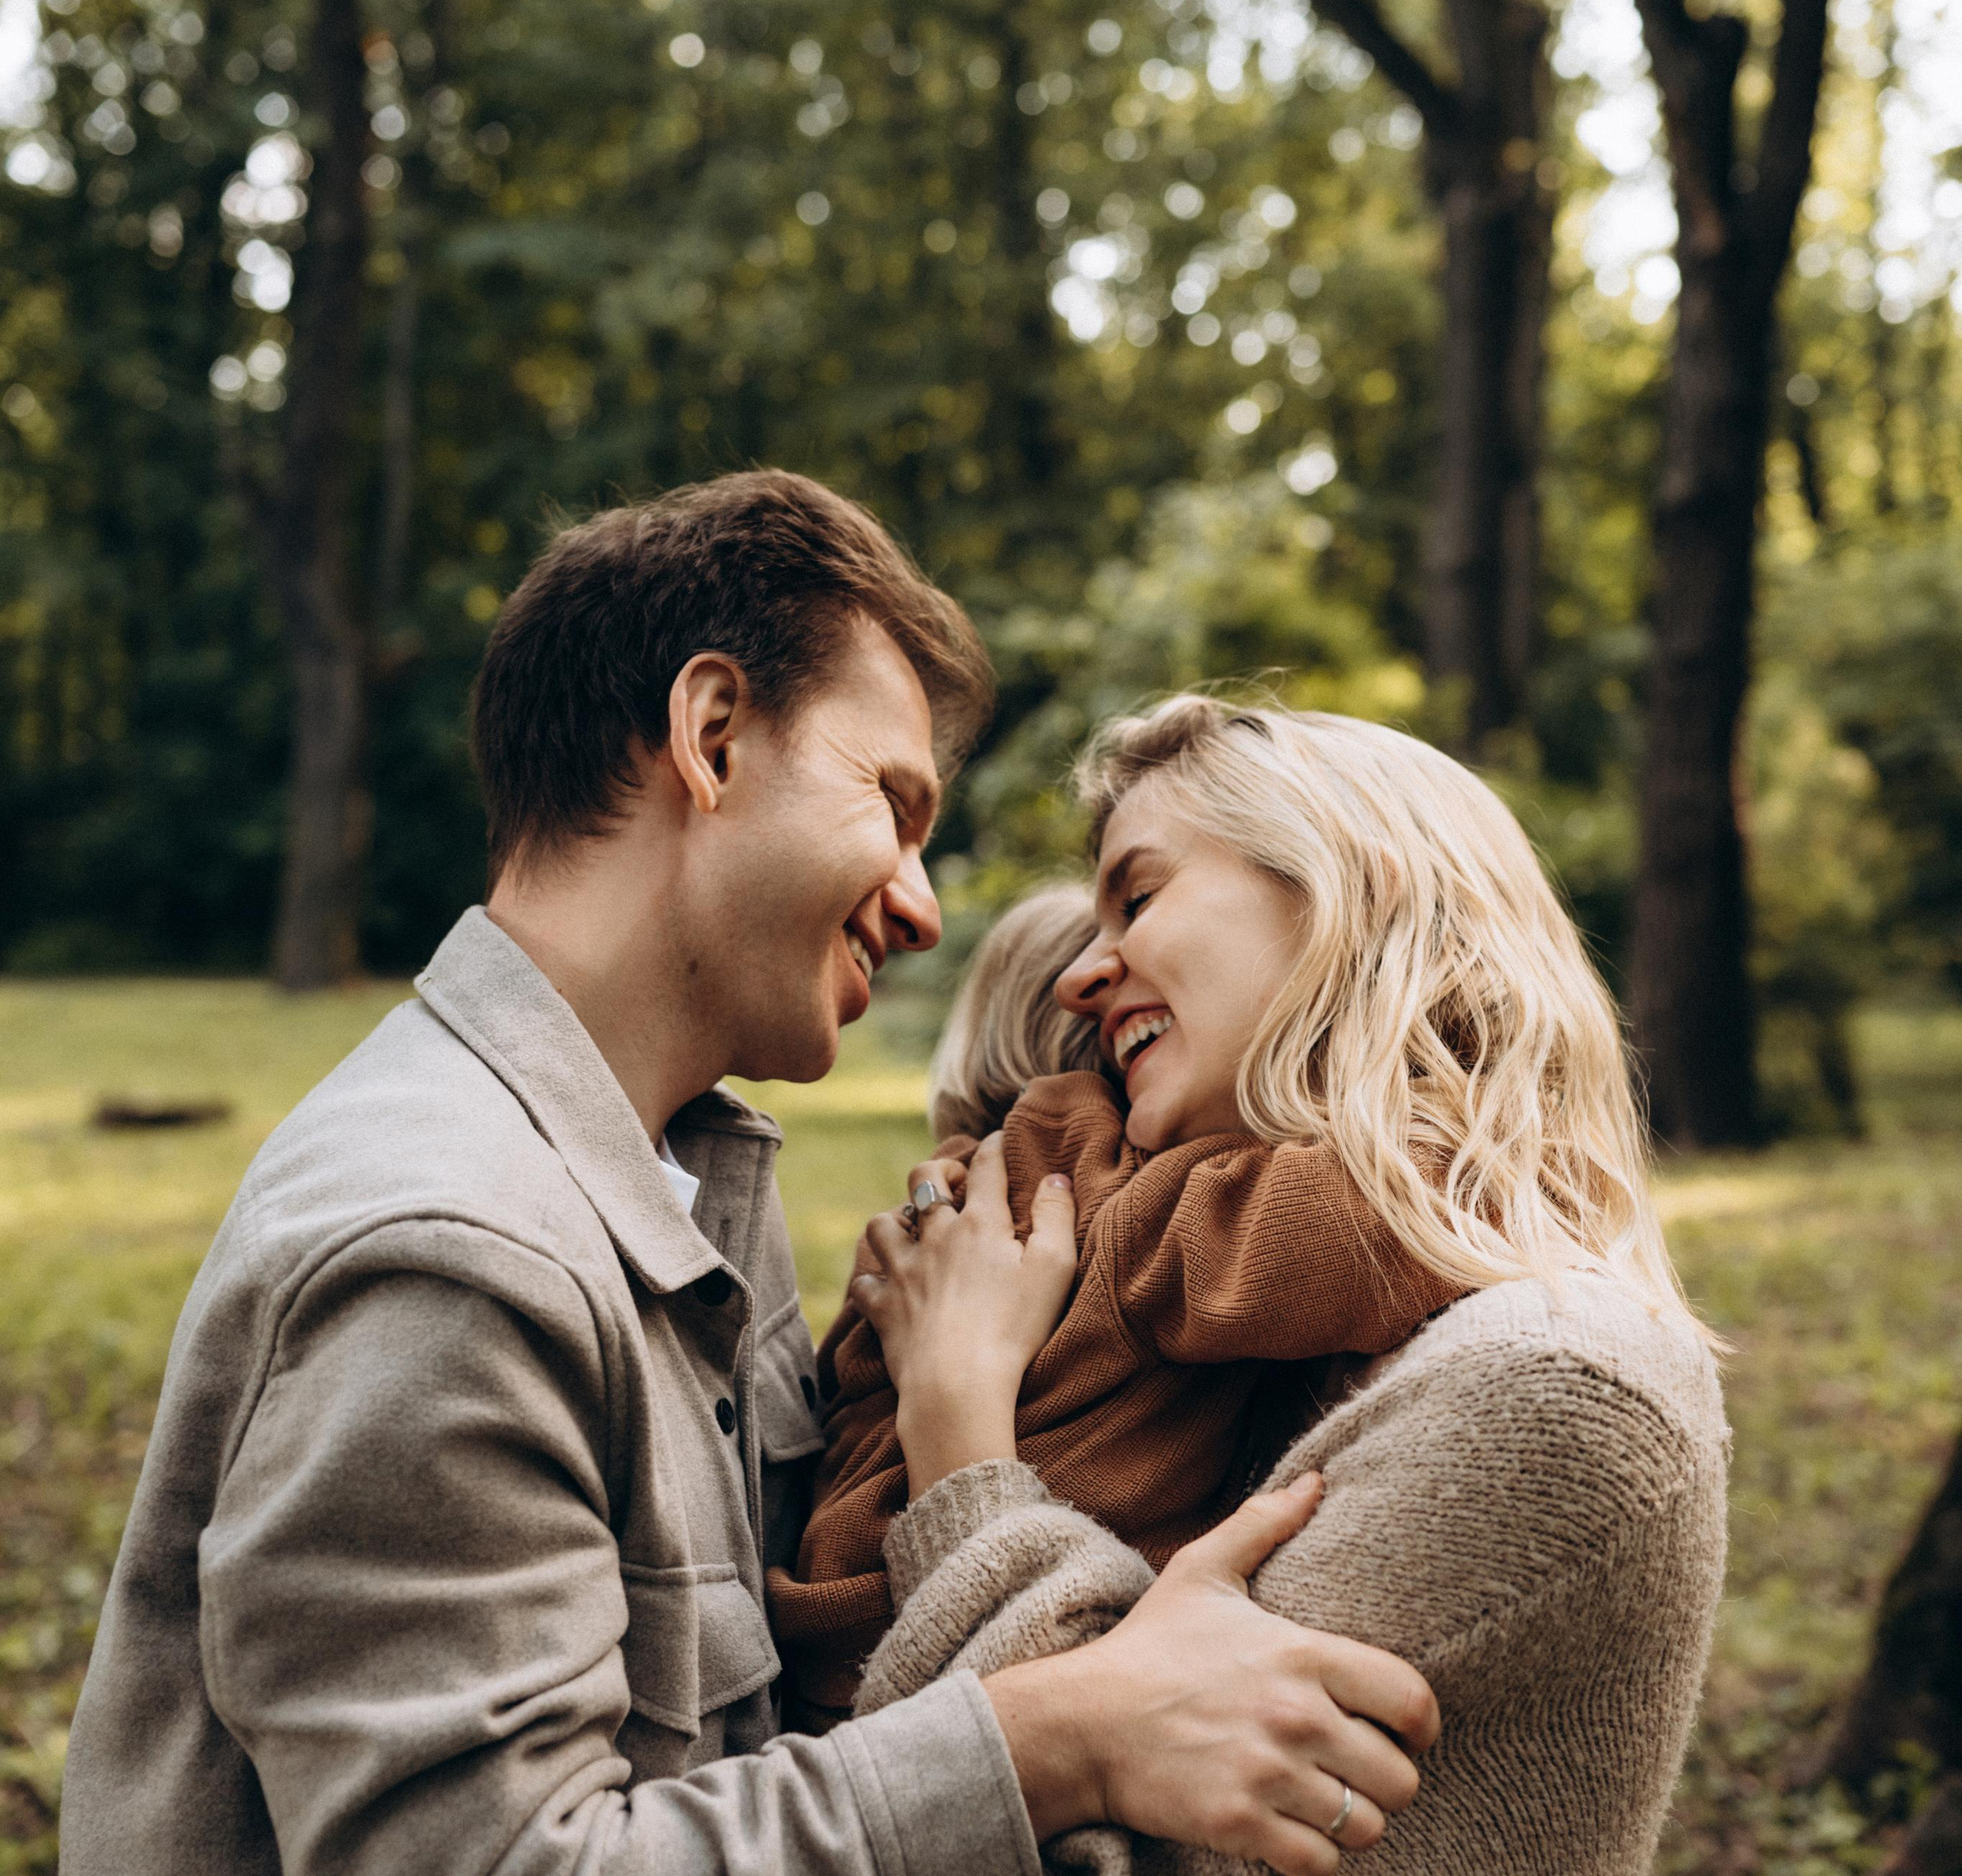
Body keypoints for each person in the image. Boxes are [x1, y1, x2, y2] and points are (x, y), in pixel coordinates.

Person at [60, 478, 1437, 1876]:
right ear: (710, 736)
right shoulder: (447, 1256)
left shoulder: (682, 1177)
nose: (924, 907)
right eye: (893, 804)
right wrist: (1064, 1733)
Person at [844, 696, 1731, 1876]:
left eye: (1138, 898)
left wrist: (955, 1421)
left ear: (1348, 888)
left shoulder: (1551, 1384)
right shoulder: (1150, 1211)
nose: (1078, 979)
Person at [768, 884, 1464, 1729]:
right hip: (965, 1642)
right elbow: (1384, 1224)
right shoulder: (1095, 1188)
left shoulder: (938, 1215)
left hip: (832, 1655)